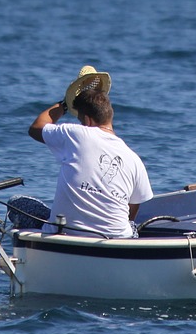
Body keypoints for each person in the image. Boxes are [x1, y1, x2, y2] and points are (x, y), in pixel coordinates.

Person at [27, 72, 153, 238]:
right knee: (131, 227)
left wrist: (65, 104)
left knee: (19, 202)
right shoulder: (135, 160)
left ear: (87, 121)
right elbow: (133, 208)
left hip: (66, 234)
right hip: (117, 240)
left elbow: (36, 128)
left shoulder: (76, 134)